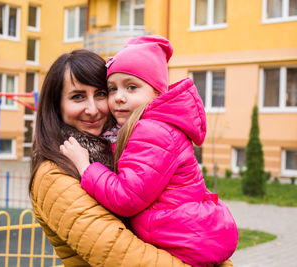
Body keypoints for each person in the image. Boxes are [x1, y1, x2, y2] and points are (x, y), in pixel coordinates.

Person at [30, 49, 233, 266]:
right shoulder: (54, 174)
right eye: (77, 96)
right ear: (56, 106)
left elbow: (190, 207)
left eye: (100, 94)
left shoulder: (126, 146)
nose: (93, 109)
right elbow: (120, 254)